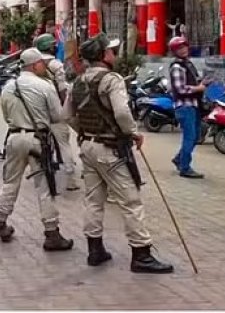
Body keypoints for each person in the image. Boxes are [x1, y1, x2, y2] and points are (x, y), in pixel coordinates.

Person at [67, 34, 173, 274]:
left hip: (87, 146)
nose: (114, 55)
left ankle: (95, 251)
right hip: (110, 149)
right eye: (111, 51)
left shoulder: (79, 81)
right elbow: (123, 113)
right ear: (103, 55)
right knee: (131, 201)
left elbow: (67, 116)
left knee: (94, 200)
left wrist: (85, 132)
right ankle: (141, 255)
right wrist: (133, 133)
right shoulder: (112, 79)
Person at [0, 48, 73, 250]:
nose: (44, 66)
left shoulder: (8, 87)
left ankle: (1, 222)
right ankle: (51, 232)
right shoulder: (45, 86)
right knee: (44, 186)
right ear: (35, 64)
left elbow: (5, 115)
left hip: (13, 137)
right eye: (42, 63)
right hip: (37, 141)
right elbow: (57, 116)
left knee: (10, 182)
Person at [35, 33, 80, 190]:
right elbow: (62, 89)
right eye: (53, 45)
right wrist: (67, 107)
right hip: (55, 110)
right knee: (64, 144)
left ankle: (43, 174)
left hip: (37, 110)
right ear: (49, 47)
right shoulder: (55, 65)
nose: (55, 47)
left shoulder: (33, 64)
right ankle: (71, 179)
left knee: (41, 143)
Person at [168, 36, 208, 179]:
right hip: (185, 107)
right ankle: (185, 168)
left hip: (194, 105)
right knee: (190, 137)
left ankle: (179, 159)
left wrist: (203, 82)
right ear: (174, 51)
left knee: (196, 136)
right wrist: (199, 88)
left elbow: (193, 82)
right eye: (179, 48)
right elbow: (180, 89)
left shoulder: (187, 64)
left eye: (184, 46)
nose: (183, 49)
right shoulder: (177, 67)